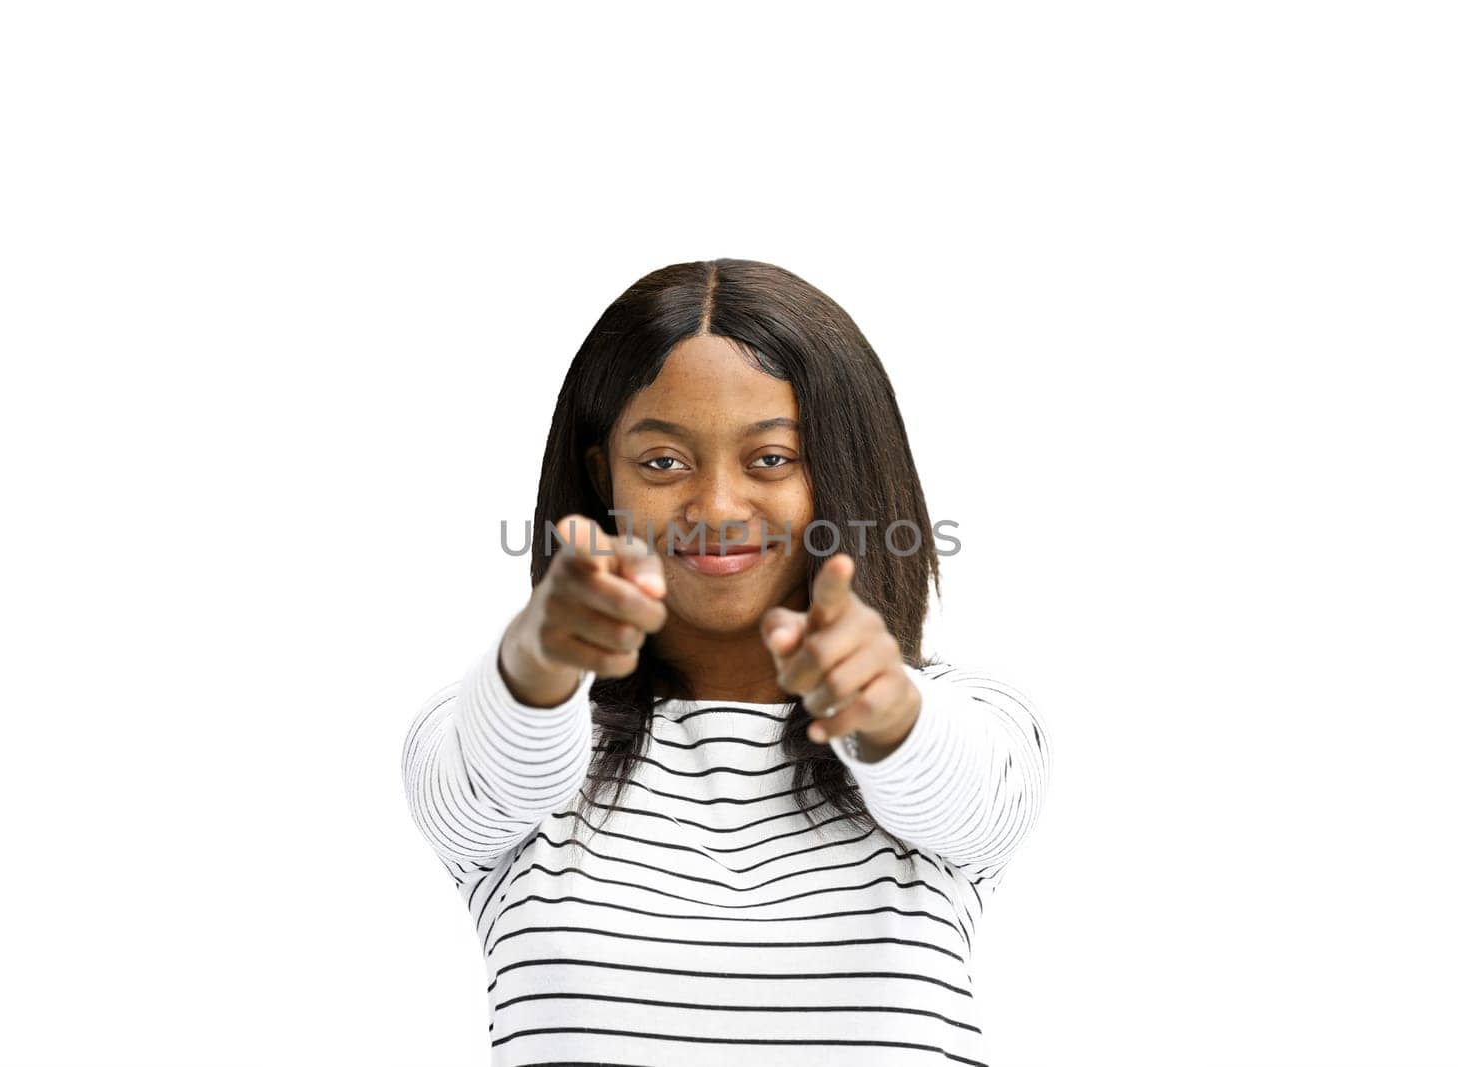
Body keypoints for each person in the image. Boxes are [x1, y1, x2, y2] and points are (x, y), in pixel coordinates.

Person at [401, 258, 1052, 1066]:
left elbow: (963, 793)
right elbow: (494, 776)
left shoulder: (977, 724)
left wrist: (887, 712)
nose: (716, 508)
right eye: (664, 462)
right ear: (605, 476)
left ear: (842, 469)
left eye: (771, 459)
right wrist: (538, 659)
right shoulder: (486, 732)